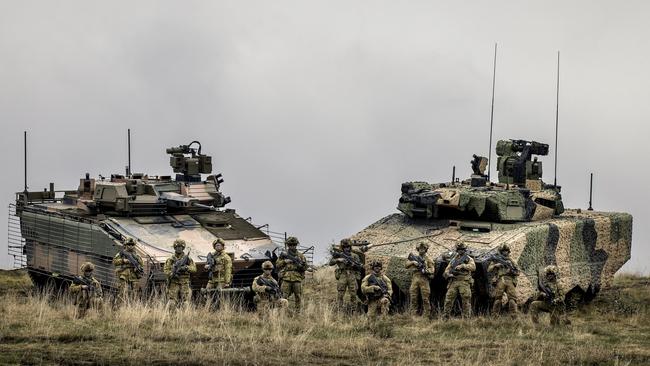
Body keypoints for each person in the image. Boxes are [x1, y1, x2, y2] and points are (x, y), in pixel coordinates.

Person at [329, 238, 364, 310]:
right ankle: (339, 309)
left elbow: (359, 267)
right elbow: (330, 263)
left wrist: (353, 265)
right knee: (340, 294)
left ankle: (354, 310)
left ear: (350, 247)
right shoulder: (339, 255)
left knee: (353, 293)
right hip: (342, 274)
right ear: (342, 247)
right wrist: (338, 259)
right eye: (344, 247)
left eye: (348, 247)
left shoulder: (354, 256)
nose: (346, 248)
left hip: (352, 274)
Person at [443, 242, 476, 318]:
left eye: (462, 249)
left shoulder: (468, 259)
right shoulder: (453, 260)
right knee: (448, 299)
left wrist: (463, 266)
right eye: (459, 249)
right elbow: (447, 270)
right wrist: (448, 274)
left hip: (464, 281)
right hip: (454, 281)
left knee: (466, 301)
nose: (460, 251)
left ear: (464, 250)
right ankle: (446, 317)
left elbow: (473, 267)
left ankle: (466, 318)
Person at [276, 236, 307, 312]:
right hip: (286, 278)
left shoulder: (300, 256)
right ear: (288, 245)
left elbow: (305, 267)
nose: (292, 246)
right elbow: (277, 265)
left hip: (297, 278)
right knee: (284, 296)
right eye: (290, 245)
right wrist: (284, 262)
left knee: (298, 296)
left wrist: (301, 265)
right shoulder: (284, 254)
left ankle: (297, 312)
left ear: (296, 245)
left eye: (294, 245)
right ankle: (282, 312)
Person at [487, 244, 520, 316]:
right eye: (503, 251)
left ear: (508, 252)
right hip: (500, 280)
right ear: (501, 252)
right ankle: (495, 316)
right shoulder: (497, 260)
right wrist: (496, 265)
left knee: (512, 299)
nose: (505, 253)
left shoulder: (511, 261)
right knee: (497, 299)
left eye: (506, 251)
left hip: (510, 279)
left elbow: (517, 272)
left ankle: (514, 316)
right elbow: (489, 269)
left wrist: (510, 271)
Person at [164, 239, 197, 309]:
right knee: (172, 301)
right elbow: (166, 270)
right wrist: (172, 274)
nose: (179, 248)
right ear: (175, 248)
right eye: (177, 247)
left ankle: (185, 317)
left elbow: (194, 269)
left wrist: (186, 268)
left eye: (180, 247)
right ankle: (170, 317)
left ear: (183, 248)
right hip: (174, 282)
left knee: (185, 301)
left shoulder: (187, 259)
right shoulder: (171, 259)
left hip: (184, 282)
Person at [406, 242, 435, 316]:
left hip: (424, 279)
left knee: (425, 298)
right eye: (420, 249)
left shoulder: (428, 259)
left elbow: (432, 270)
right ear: (418, 249)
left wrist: (425, 270)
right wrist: (413, 262)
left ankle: (426, 315)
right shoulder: (415, 258)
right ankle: (413, 314)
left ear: (426, 250)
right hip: (415, 279)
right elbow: (406, 265)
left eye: (423, 249)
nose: (421, 250)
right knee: (413, 297)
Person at [112, 237, 144, 305]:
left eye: (132, 245)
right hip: (124, 274)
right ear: (126, 245)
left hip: (134, 275)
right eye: (129, 244)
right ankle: (120, 306)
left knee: (136, 292)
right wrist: (123, 261)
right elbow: (114, 261)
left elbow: (141, 263)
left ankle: (134, 306)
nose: (131, 246)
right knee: (122, 292)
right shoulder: (122, 253)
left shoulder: (136, 255)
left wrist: (137, 265)